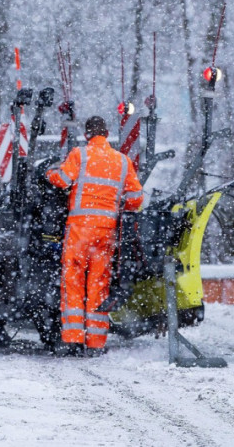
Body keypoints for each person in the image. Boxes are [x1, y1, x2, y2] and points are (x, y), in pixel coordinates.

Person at [45, 115, 144, 357]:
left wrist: (50, 172)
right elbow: (136, 198)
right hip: (107, 231)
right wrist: (118, 205)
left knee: (73, 281)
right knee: (99, 284)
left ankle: (73, 339)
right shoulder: (122, 161)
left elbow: (63, 180)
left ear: (87, 134)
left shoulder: (80, 154)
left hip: (80, 229)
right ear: (107, 134)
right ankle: (95, 343)